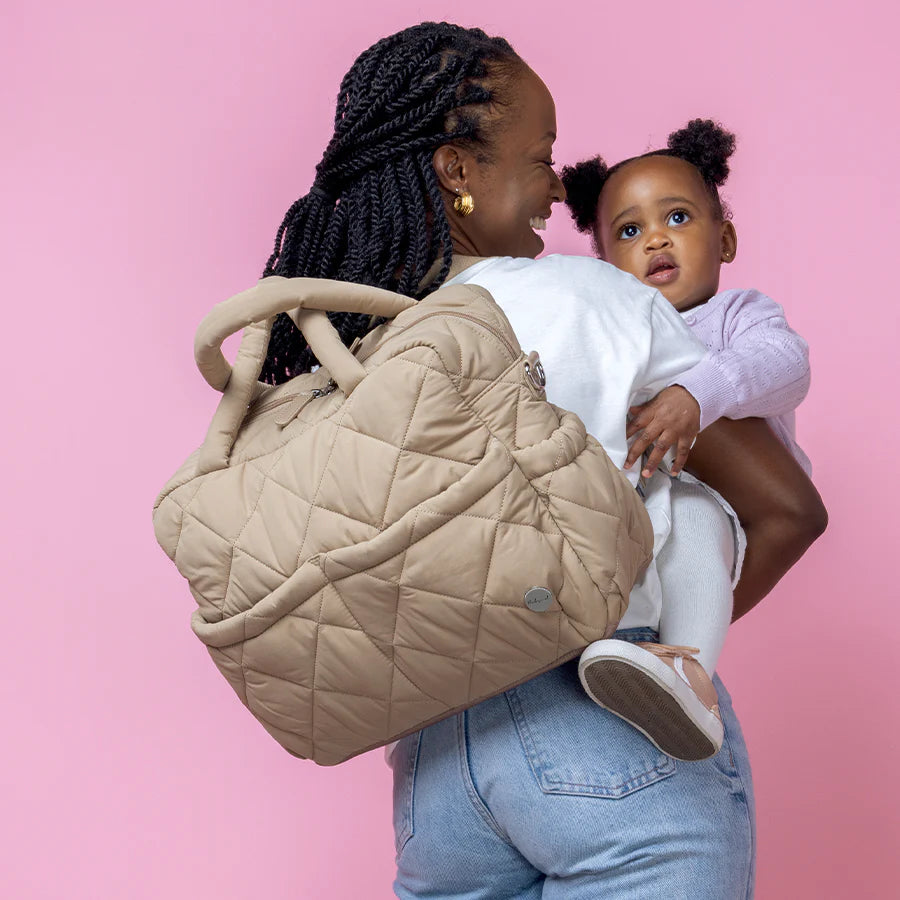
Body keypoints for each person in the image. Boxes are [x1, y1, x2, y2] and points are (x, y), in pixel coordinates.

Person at [259, 23, 827, 897]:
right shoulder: (597, 298)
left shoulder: (367, 341)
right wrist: (679, 644)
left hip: (434, 761)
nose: (557, 185)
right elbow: (786, 508)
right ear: (458, 170)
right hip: (609, 730)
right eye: (541, 155)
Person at [559, 120, 815, 761]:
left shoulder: (737, 316)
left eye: (677, 216)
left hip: (717, 504)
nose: (655, 239)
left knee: (697, 522)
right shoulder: (613, 330)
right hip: (635, 513)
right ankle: (627, 658)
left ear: (725, 238)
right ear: (606, 267)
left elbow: (786, 365)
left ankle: (689, 678)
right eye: (628, 230)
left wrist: (701, 393)